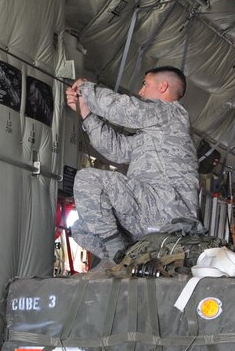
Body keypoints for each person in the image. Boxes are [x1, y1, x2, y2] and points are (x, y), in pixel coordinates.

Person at [65, 66, 202, 270]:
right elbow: (116, 150)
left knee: (87, 179)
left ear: (163, 86)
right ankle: (130, 261)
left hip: (167, 212)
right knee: (82, 229)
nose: (141, 92)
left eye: (145, 84)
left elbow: (123, 109)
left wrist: (86, 88)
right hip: (147, 211)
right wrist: (85, 110)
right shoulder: (153, 133)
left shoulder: (170, 113)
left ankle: (117, 258)